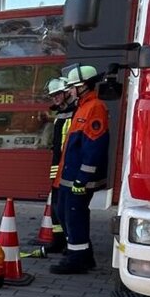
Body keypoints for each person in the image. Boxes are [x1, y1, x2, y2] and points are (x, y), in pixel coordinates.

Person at [51, 64, 109, 274]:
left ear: (84, 86)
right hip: (69, 176)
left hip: (78, 178)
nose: (70, 91)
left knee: (74, 216)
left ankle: (77, 260)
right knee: (67, 215)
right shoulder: (82, 107)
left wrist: (82, 179)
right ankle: (83, 255)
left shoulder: (94, 107)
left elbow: (94, 148)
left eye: (73, 87)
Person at [44, 76, 76, 254]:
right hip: (57, 169)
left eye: (58, 94)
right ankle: (58, 241)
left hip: (69, 169)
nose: (55, 98)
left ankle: (71, 242)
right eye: (52, 95)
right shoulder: (61, 114)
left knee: (66, 208)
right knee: (56, 207)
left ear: (67, 92)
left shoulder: (75, 112)